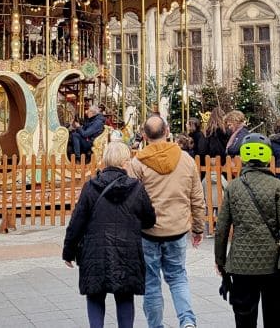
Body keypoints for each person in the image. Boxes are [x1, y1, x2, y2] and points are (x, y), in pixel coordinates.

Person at [215, 134, 280, 328]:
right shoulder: (276, 186)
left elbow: (222, 230)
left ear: (243, 156)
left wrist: (220, 261)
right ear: (268, 156)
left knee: (244, 314)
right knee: (274, 311)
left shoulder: (233, 187)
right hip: (271, 263)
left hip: (241, 263)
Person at [63, 141, 157, 328]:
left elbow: (77, 222)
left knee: (95, 296)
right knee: (124, 297)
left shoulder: (90, 186)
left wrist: (68, 251)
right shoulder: (136, 188)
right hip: (126, 251)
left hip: (95, 252)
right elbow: (149, 219)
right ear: (124, 163)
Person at [127, 115, 207, 328]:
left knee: (151, 283)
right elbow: (197, 198)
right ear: (168, 131)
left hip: (148, 231)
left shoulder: (137, 163)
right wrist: (198, 228)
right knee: (178, 278)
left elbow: (131, 200)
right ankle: (187, 321)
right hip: (177, 229)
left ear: (144, 135)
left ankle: (156, 325)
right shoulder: (186, 160)